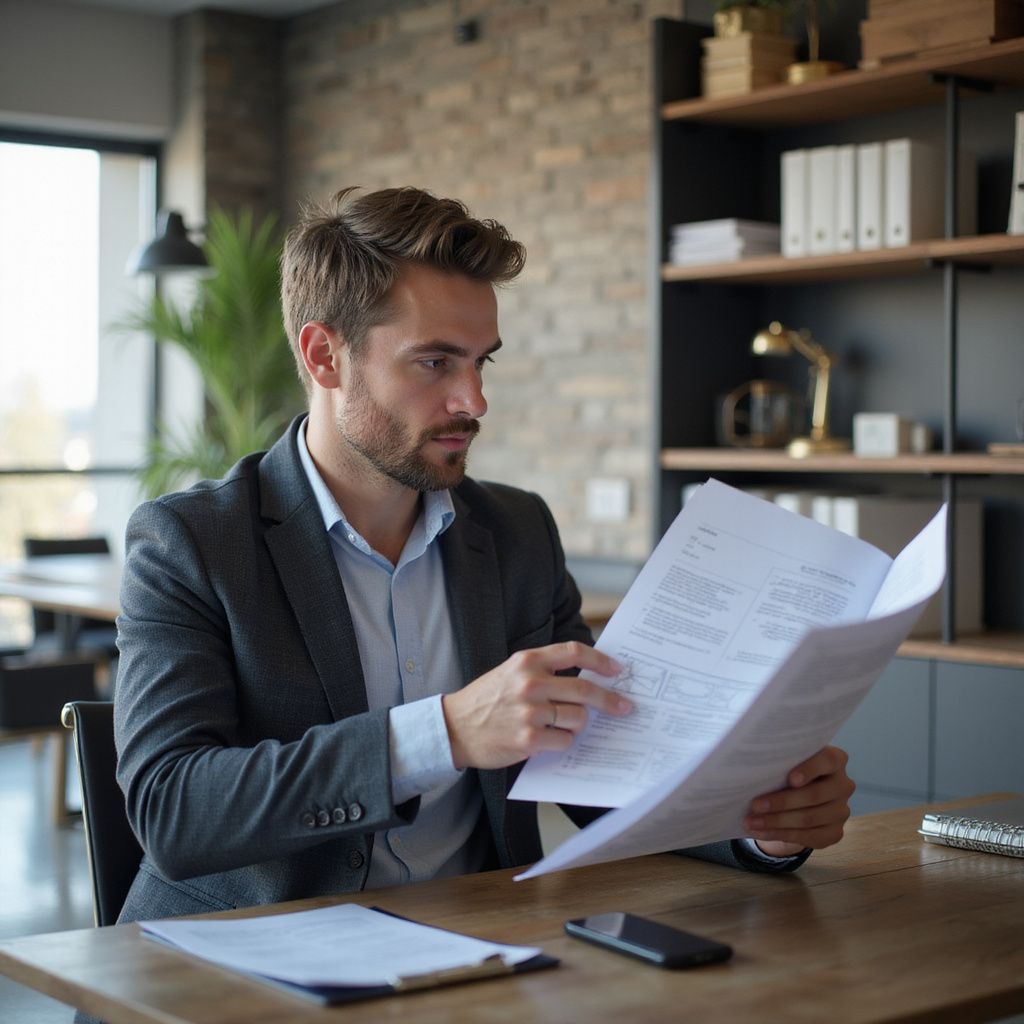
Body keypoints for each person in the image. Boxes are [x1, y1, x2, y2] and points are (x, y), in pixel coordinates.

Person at [113, 186, 854, 924]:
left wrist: (756, 821)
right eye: (434, 363)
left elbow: (597, 776)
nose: (474, 401)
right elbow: (172, 809)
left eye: (481, 363)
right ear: (324, 356)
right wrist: (445, 733)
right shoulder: (192, 543)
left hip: (478, 949)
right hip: (245, 959)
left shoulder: (517, 532)